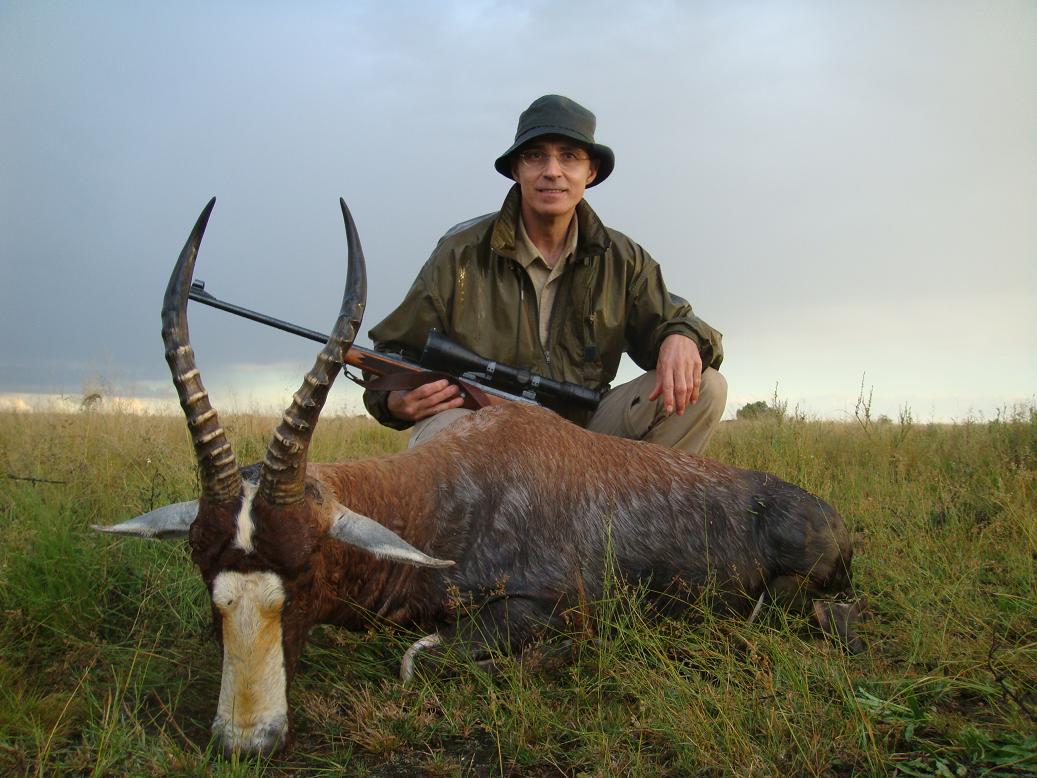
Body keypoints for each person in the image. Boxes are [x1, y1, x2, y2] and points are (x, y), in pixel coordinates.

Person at [363, 94, 727, 454]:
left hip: (586, 431)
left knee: (707, 387)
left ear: (590, 172)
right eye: (535, 156)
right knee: (445, 428)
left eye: (568, 156)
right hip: (488, 429)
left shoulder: (622, 259)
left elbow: (676, 320)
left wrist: (681, 336)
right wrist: (394, 400)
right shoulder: (459, 253)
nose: (552, 170)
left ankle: (631, 496)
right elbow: (393, 352)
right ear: (516, 169)